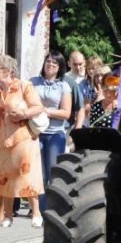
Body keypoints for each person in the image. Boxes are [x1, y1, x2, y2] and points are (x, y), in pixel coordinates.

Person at [0, 55, 45, 228]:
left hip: (23, 138)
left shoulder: (23, 86)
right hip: (1, 140)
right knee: (6, 177)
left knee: (26, 175)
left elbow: (38, 107)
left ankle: (36, 212)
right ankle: (8, 215)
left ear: (8, 71)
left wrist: (23, 114)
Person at [30, 52, 72, 214]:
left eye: (55, 63)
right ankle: (38, 211)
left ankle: (52, 208)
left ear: (60, 67)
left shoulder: (64, 86)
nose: (50, 65)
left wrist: (45, 111)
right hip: (36, 132)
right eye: (48, 61)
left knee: (52, 172)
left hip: (56, 133)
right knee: (37, 173)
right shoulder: (33, 83)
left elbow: (66, 113)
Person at [65, 51, 87, 133]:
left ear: (84, 62)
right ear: (69, 63)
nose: (78, 67)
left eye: (80, 64)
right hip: (71, 118)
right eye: (75, 64)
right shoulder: (64, 79)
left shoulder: (91, 77)